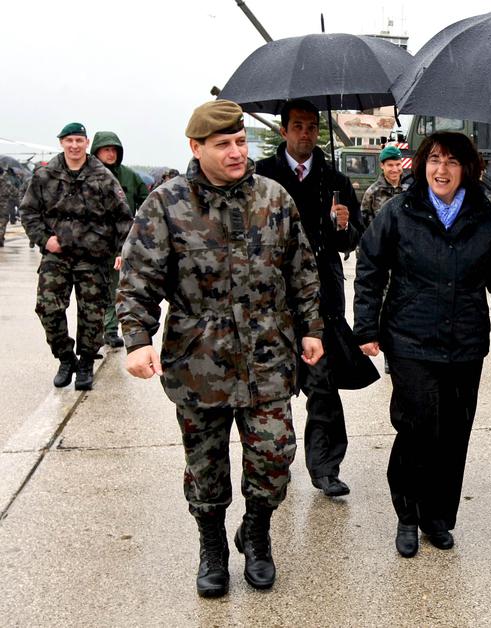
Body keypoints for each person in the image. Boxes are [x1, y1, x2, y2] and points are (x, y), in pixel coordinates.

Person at [117, 100, 323, 597]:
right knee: (205, 467)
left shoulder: (273, 197)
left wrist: (312, 328)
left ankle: (256, 532)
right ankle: (211, 546)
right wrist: (137, 340)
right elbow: (138, 278)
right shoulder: (167, 204)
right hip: (198, 359)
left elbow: (301, 269)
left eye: (240, 141)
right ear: (196, 147)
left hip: (268, 354)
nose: (236, 152)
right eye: (223, 144)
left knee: (274, 456)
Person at [354, 131, 491, 558]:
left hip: (465, 340)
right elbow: (370, 266)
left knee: (453, 432)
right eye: (434, 159)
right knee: (417, 428)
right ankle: (408, 514)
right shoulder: (399, 210)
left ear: (467, 168)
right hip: (410, 338)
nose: (441, 169)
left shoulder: (484, 216)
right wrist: (366, 327)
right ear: (421, 165)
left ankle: (438, 517)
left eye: (451, 161)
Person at [255, 99, 362, 498]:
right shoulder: (261, 175)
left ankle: (326, 467)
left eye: (312, 127)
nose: (306, 133)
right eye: (298, 126)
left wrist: (344, 226)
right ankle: (272, 463)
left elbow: (350, 242)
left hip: (322, 296)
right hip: (272, 296)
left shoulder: (335, 180)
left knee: (323, 384)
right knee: (271, 388)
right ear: (283, 130)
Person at [19, 122, 131, 390]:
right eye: (69, 140)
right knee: (47, 308)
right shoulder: (45, 176)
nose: (74, 145)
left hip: (92, 257)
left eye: (79, 140)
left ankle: (86, 363)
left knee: (92, 313)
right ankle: (66, 358)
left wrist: (121, 251)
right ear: (62, 143)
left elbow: (122, 216)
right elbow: (28, 211)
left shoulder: (102, 176)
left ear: (86, 143)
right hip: (57, 256)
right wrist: (44, 239)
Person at [90, 131, 150, 348]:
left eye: (114, 149)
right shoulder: (87, 175)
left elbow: (147, 204)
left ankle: (110, 329)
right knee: (93, 290)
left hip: (121, 241)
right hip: (92, 242)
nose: (111, 153)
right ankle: (94, 331)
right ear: (96, 151)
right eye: (106, 149)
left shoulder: (129, 177)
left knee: (117, 287)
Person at [360, 144, 410, 230]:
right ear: (382, 165)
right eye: (390, 165)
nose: (395, 169)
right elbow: (364, 223)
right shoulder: (372, 192)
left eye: (398, 164)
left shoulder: (410, 189)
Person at [0, 167, 22, 247]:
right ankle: (0, 238)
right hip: (4, 205)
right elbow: (15, 192)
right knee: (2, 222)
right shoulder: (6, 182)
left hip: (4, 205)